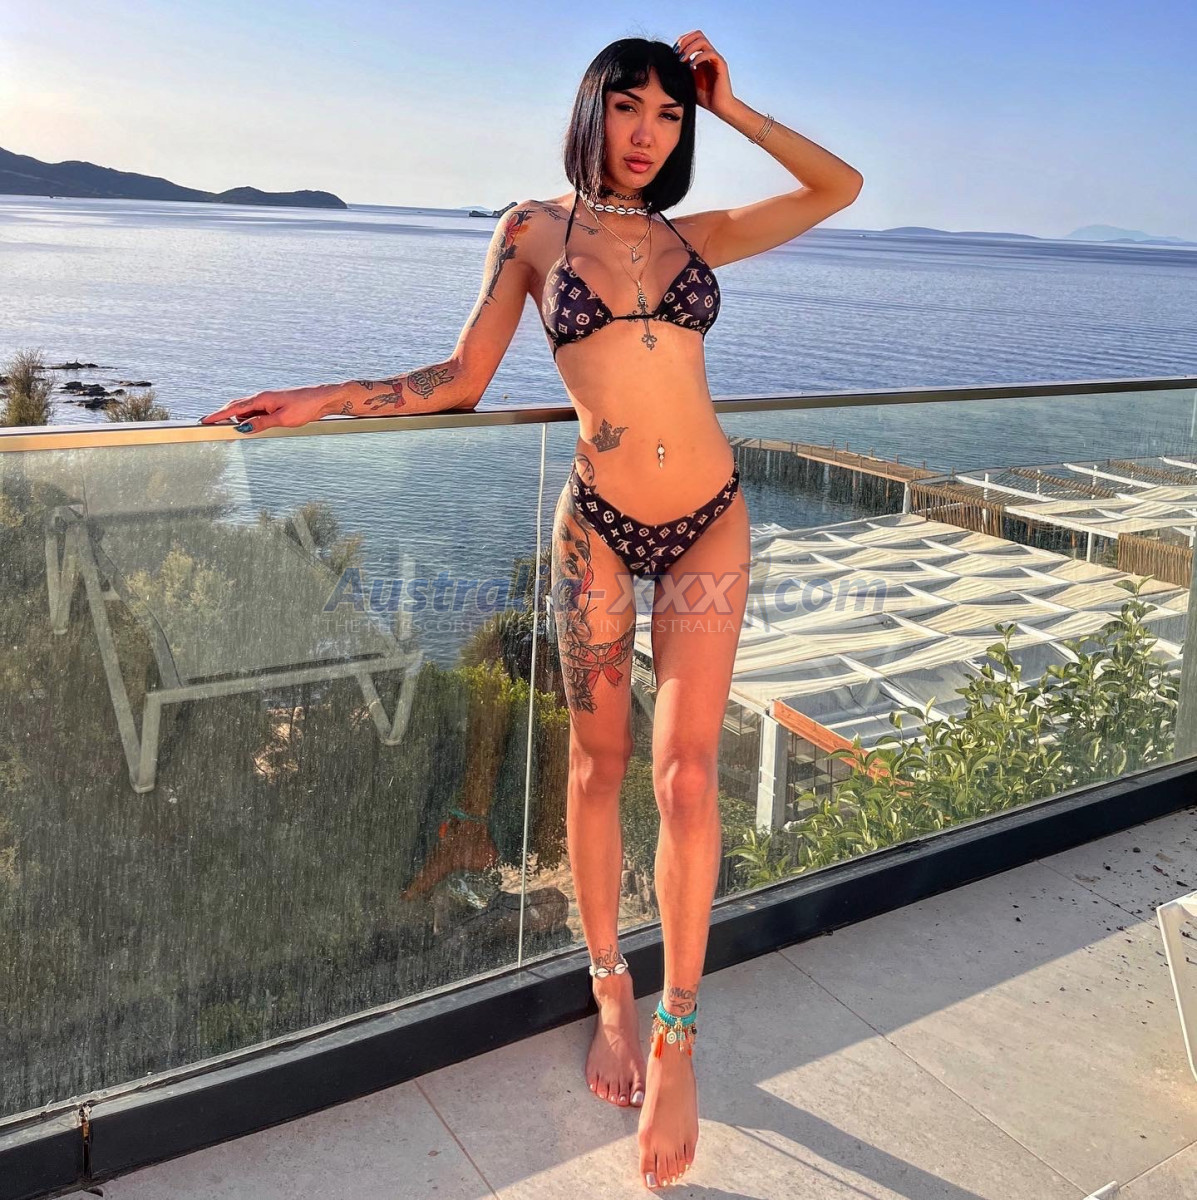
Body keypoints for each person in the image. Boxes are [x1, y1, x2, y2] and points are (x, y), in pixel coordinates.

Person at [201, 30, 862, 1190]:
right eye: (631, 106)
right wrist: (325, 397)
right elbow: (460, 379)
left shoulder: (693, 238)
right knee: (598, 769)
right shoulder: (530, 232)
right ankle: (609, 991)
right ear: (592, 111)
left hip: (710, 519)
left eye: (670, 114)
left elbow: (838, 187)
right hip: (597, 528)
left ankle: (678, 1033)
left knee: (688, 776)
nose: (650, 132)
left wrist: (736, 106)